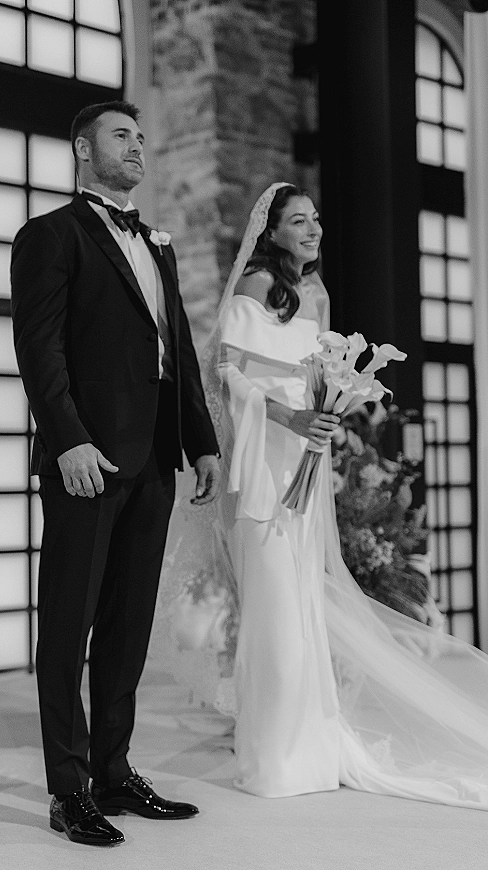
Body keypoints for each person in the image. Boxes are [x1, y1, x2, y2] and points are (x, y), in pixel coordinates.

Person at [186, 182, 488, 806]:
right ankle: (275, 757)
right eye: (298, 221)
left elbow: (318, 371)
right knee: (272, 604)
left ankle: (313, 747)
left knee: (302, 603)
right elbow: (226, 369)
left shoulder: (316, 295)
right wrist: (284, 416)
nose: (313, 228)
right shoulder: (253, 289)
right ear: (270, 233)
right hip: (266, 452)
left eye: (316, 218)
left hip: (307, 452)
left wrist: (327, 413)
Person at [10, 100, 221, 847]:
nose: (137, 147)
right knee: (69, 625)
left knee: (129, 626)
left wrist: (200, 441)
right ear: (82, 148)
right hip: (87, 460)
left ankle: (115, 772)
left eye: (140, 138)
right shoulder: (50, 236)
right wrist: (65, 439)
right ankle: (69, 792)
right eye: (121, 136)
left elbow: (179, 354)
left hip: (154, 458)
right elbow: (41, 349)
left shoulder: (157, 245)